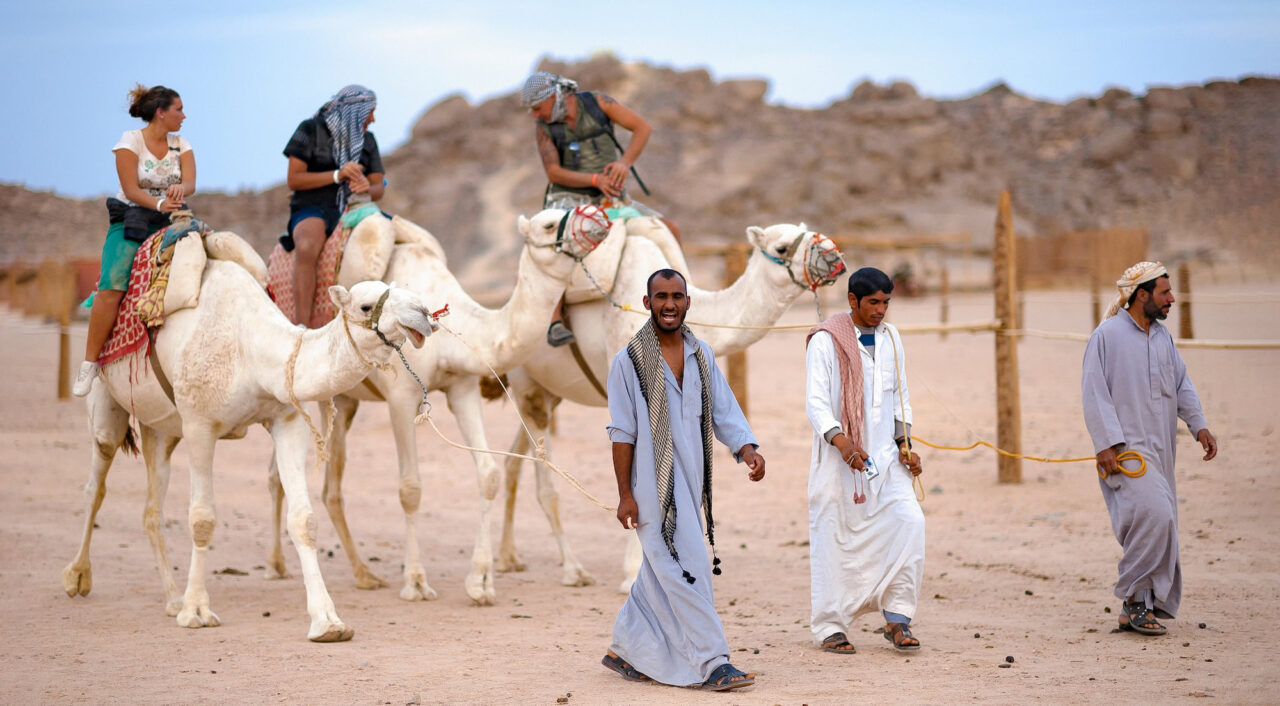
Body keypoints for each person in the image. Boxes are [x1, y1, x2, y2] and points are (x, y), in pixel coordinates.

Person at [603, 269, 764, 692]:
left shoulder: (701, 354)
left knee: (660, 571)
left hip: (692, 485)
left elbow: (723, 409)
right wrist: (625, 495)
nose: (669, 304)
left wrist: (747, 449)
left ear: (688, 302)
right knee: (687, 569)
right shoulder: (628, 362)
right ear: (647, 303)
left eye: (677, 296)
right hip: (650, 489)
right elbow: (622, 433)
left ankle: (624, 649)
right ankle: (714, 662)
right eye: (661, 297)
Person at [1081, 261, 1217, 636]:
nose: (1171, 299)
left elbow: (1182, 384)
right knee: (1157, 517)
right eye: (1164, 293)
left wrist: (1199, 425)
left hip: (1162, 448)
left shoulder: (1162, 338)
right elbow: (1093, 393)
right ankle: (1134, 600)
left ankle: (1138, 605)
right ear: (1142, 295)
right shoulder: (1106, 336)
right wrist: (1106, 444)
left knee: (1157, 522)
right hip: (1126, 450)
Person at [804, 266, 925, 653]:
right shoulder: (825, 341)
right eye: (873, 302)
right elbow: (816, 403)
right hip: (837, 464)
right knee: (835, 541)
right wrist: (843, 444)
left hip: (886, 461)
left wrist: (905, 445)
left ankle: (898, 618)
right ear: (853, 300)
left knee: (910, 523)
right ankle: (830, 627)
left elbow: (901, 397)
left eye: (886, 302)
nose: (881, 310)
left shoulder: (892, 338)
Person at [519, 71, 679, 347]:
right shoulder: (544, 126)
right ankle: (554, 321)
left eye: (537, 107)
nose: (535, 115)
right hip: (569, 197)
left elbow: (642, 128)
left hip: (610, 199)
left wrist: (624, 164)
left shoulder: (598, 103)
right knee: (556, 245)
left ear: (554, 97)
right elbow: (553, 172)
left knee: (671, 230)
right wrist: (595, 180)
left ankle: (683, 302)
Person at [73, 84, 195, 397]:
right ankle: (89, 363)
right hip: (131, 220)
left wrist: (181, 190)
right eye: (179, 109)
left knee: (203, 263)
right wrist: (159, 203)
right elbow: (130, 189)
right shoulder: (130, 141)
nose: (184, 115)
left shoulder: (181, 144)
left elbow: (190, 182)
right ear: (161, 113)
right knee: (113, 285)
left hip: (171, 219)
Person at [283, 85, 384, 326]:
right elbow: (294, 179)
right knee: (307, 246)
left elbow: (379, 187)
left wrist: (366, 187)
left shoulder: (368, 141)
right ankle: (302, 327)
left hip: (354, 208)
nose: (373, 119)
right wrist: (338, 175)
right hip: (312, 207)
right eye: (369, 112)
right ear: (355, 111)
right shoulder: (310, 129)